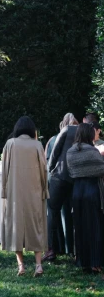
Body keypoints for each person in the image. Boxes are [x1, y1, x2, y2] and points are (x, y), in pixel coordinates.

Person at [1, 116, 47, 277]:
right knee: (36, 226)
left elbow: (4, 170)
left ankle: (21, 266)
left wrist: (4, 191)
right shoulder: (37, 145)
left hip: (14, 193)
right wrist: (45, 190)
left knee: (16, 227)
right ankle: (38, 265)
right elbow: (44, 169)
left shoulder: (10, 144)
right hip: (34, 192)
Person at [67, 122, 104, 273]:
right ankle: (95, 262)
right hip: (92, 189)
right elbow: (101, 169)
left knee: (80, 226)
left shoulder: (70, 151)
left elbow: (71, 172)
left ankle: (83, 261)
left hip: (77, 191)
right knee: (95, 226)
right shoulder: (92, 151)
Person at [43, 115, 79, 262]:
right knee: (73, 213)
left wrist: (51, 170)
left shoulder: (58, 136)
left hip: (58, 176)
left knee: (52, 211)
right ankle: (74, 250)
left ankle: (51, 249)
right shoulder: (82, 133)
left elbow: (52, 155)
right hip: (75, 177)